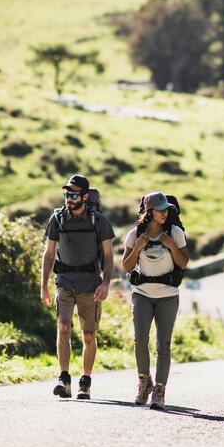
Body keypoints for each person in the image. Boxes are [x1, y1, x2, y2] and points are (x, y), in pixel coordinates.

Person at [41, 173, 115, 400]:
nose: (69, 198)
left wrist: (105, 283)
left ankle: (85, 381)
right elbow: (49, 253)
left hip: (91, 284)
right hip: (64, 282)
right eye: (66, 194)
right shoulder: (57, 219)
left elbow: (109, 255)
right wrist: (43, 285)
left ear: (84, 196)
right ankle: (64, 379)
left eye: (73, 195)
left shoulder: (99, 221)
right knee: (63, 327)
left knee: (89, 335)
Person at [121, 191, 189, 411]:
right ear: (149, 212)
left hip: (168, 296)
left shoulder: (175, 233)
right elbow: (127, 266)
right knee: (140, 340)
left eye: (167, 209)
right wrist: (139, 247)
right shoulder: (134, 235)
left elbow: (184, 262)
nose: (165, 213)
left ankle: (159, 390)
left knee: (163, 345)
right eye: (160, 209)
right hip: (142, 294)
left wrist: (170, 245)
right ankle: (144, 381)